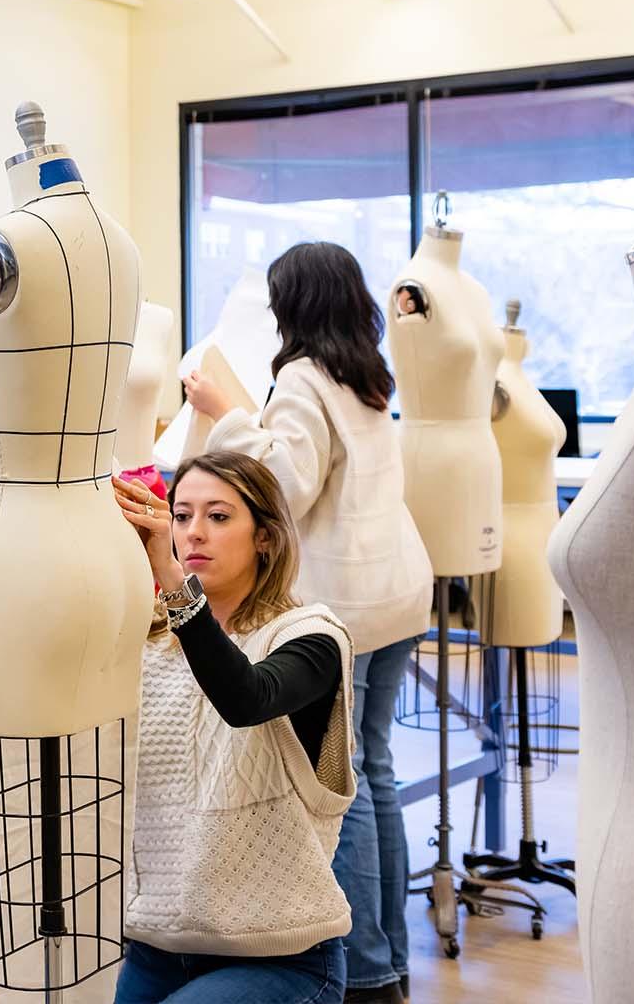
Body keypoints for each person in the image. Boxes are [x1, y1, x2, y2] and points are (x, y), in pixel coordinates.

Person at [183, 241, 433, 1004]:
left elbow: (284, 487)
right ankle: (388, 960)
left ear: (292, 303)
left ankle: (364, 971)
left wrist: (226, 414)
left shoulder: (301, 377)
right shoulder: (366, 375)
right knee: (376, 772)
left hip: (351, 605)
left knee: (339, 785)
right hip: (398, 591)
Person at [114, 452, 356, 1004]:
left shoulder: (312, 638)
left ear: (265, 537)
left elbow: (245, 697)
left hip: (283, 959)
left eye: (219, 516)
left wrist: (171, 578)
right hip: (155, 945)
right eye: (181, 516)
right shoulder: (146, 642)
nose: (194, 532)